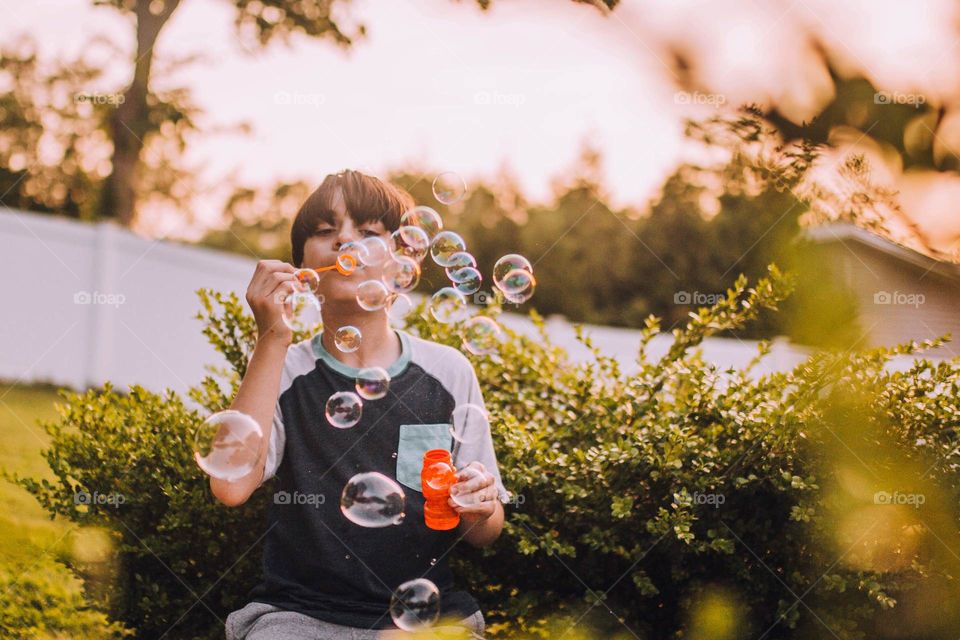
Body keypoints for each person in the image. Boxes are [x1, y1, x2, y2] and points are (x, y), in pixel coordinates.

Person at [214, 170, 509, 639]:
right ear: (303, 268)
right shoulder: (286, 369)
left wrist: (479, 503)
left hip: (425, 621)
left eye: (369, 233)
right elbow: (230, 487)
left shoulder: (448, 373)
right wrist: (271, 337)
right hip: (299, 617)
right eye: (325, 231)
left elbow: (485, 531)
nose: (345, 242)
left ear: (403, 262)